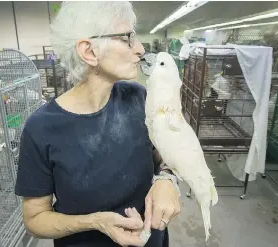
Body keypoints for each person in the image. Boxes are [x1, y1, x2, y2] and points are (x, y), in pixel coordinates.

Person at [14, 2, 181, 247]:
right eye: (127, 38)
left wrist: (167, 179)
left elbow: (167, 154)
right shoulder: (40, 128)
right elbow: (35, 218)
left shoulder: (139, 97)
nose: (140, 48)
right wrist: (94, 222)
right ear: (89, 51)